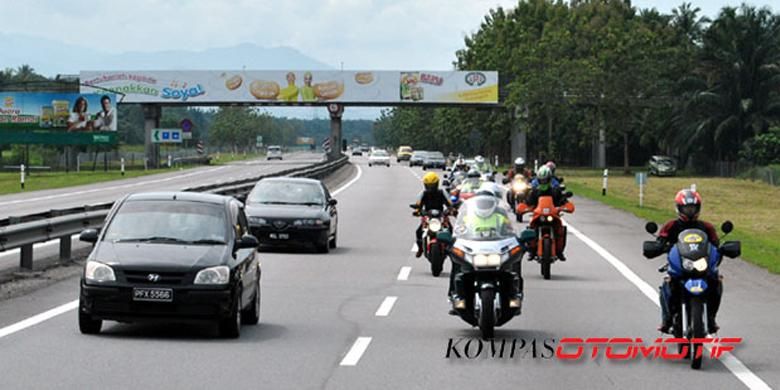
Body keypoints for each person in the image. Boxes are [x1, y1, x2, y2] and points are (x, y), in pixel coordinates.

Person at [656, 189, 722, 334]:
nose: (690, 211)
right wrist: (657, 247)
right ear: (679, 208)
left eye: (693, 208)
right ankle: (667, 319)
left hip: (701, 264)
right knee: (666, 285)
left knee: (716, 281)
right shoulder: (671, 226)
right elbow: (660, 241)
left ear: (698, 208)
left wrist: (723, 250)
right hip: (679, 264)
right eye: (687, 208)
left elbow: (716, 246)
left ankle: (711, 317)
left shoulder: (706, 227)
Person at [449, 194, 522, 310]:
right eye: (482, 204)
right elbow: (459, 229)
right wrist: (455, 239)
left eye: (487, 204)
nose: (484, 207)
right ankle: (456, 296)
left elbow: (510, 229)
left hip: (496, 247)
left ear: (494, 205)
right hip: (475, 248)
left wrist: (516, 238)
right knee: (458, 267)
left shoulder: (500, 217)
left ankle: (514, 296)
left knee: (513, 267)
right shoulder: (468, 217)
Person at [522, 165, 570, 260]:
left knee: (560, 229)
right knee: (531, 228)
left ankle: (559, 251)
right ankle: (531, 250)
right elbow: (528, 202)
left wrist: (565, 206)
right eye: (541, 180)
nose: (543, 182)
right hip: (538, 215)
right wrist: (524, 207)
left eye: (545, 180)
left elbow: (563, 201)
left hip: (552, 215)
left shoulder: (555, 191)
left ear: (549, 179)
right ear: (538, 180)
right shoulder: (535, 192)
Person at [412, 172, 453, 258]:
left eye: (432, 185)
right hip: (428, 216)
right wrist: (417, 211)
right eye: (429, 185)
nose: (430, 187)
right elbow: (418, 204)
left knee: (450, 229)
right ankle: (420, 249)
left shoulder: (442, 192)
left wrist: (452, 210)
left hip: (441, 215)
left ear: (437, 184)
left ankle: (452, 249)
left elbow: (449, 203)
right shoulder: (423, 193)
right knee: (419, 231)